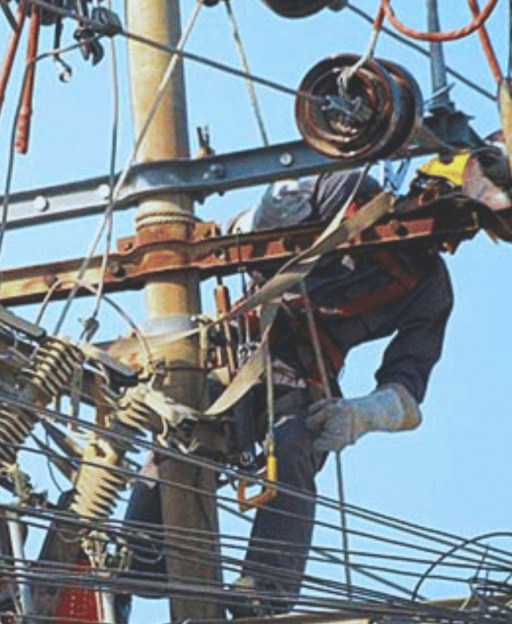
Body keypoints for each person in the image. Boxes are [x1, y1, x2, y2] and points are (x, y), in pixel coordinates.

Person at [112, 168, 454, 620]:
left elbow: (407, 391)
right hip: (240, 348)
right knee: (183, 429)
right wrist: (267, 212)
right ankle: (131, 561)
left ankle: (263, 592)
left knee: (295, 443)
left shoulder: (429, 284)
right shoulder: (348, 193)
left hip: (307, 372)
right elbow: (251, 231)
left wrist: (365, 414)